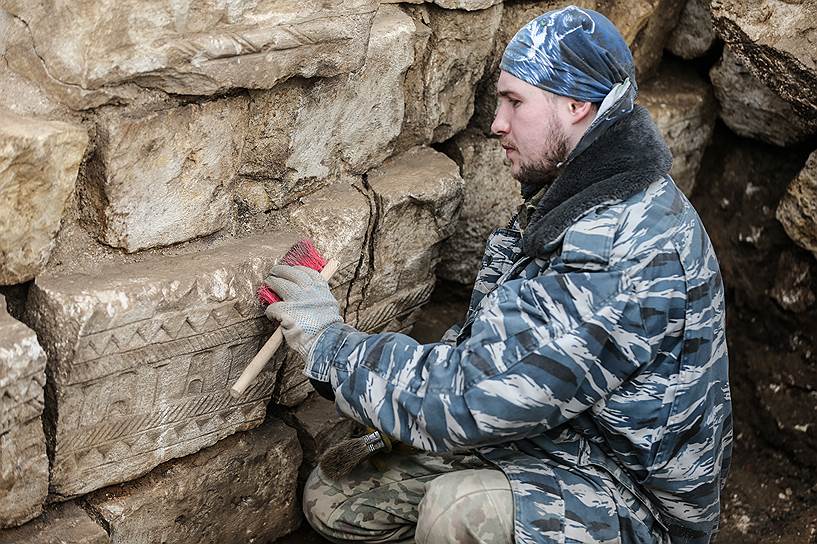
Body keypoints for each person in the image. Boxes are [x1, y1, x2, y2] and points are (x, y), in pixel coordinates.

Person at [263, 5, 732, 544]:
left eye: (514, 101)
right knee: (338, 497)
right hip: (555, 438)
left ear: (577, 104)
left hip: (630, 498)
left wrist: (329, 344)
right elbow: (494, 351)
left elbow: (467, 396)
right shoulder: (576, 191)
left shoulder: (618, 250)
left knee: (459, 511)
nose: (496, 123)